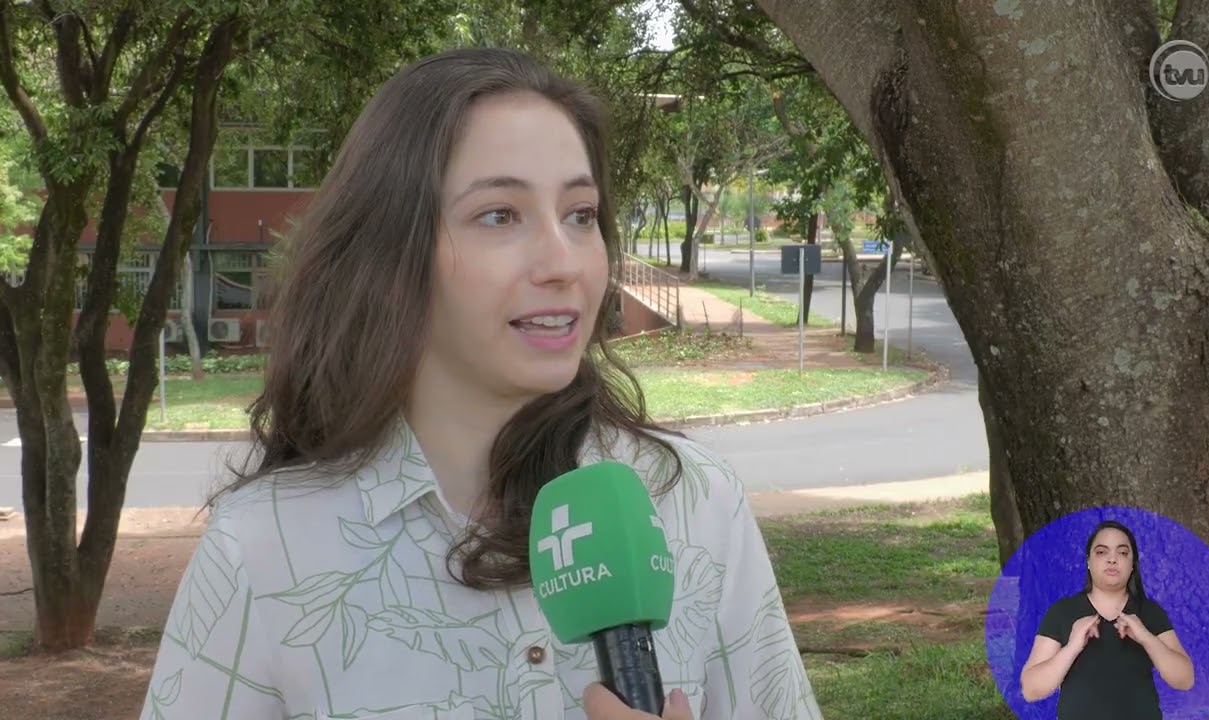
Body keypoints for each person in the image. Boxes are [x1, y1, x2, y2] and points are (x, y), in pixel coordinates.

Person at [137, 47, 822, 720]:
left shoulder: (693, 503)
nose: (564, 262)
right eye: (500, 215)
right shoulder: (266, 546)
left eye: (581, 215)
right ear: (391, 253)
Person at [1020, 520, 1195, 719]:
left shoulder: (1149, 612)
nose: (1112, 559)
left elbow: (1185, 679)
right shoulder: (1062, 612)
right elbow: (1031, 690)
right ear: (1088, 561)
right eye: (1102, 552)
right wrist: (1072, 647)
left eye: (1122, 553)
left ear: (1132, 564)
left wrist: (1146, 637)